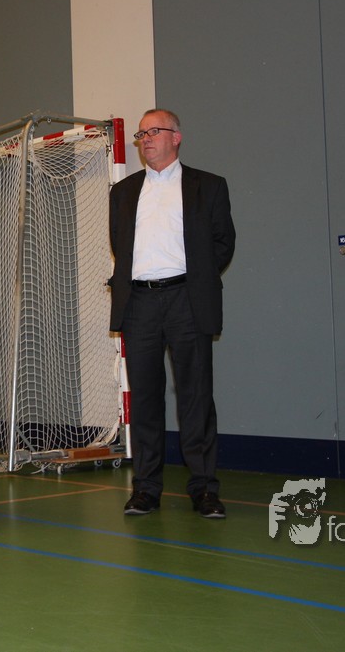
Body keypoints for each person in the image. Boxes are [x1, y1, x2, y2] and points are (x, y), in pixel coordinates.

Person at [109, 109, 235, 519]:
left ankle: (204, 490)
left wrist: (196, 280)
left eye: (154, 131)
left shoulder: (209, 186)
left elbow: (223, 243)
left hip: (187, 300)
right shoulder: (123, 192)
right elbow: (120, 245)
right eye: (141, 133)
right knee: (145, 399)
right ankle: (146, 489)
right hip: (140, 304)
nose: (145, 139)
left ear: (176, 137)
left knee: (195, 397)